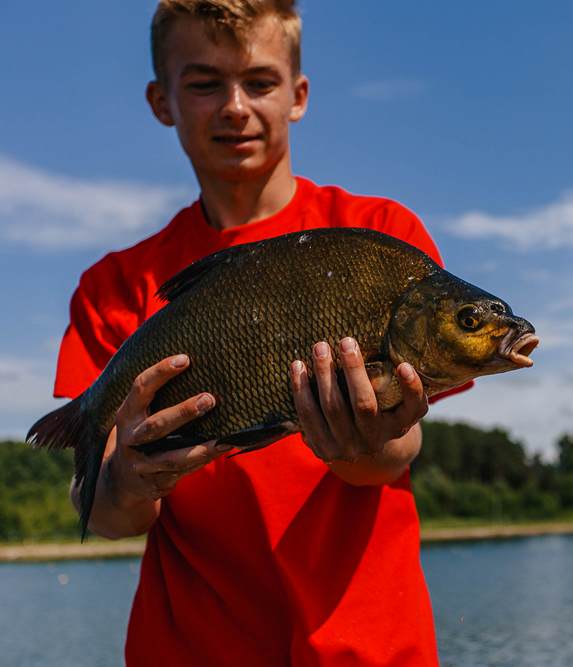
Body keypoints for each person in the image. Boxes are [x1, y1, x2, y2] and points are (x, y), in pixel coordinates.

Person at [53, 1, 466, 664]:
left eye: (260, 81)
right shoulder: (114, 287)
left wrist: (362, 438)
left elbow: (395, 452)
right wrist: (126, 480)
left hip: (368, 646)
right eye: (204, 83)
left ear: (299, 95)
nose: (236, 107)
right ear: (162, 100)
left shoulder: (382, 239)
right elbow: (100, 511)